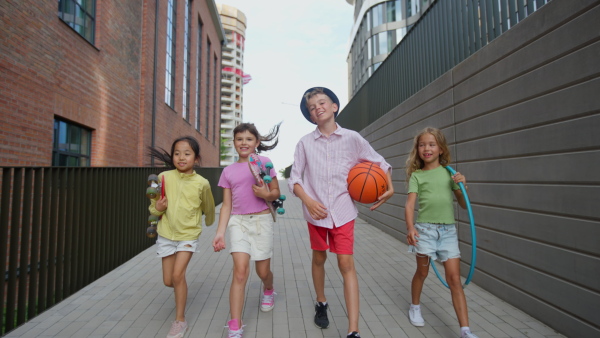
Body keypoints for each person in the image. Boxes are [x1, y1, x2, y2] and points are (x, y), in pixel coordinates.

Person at [288, 87, 394, 338]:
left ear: (335, 106)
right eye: (312, 107)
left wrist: (389, 187)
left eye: (322, 102)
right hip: (315, 213)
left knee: (346, 263)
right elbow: (294, 179)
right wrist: (308, 200)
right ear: (311, 116)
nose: (318, 108)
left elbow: (380, 162)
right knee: (319, 258)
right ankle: (321, 301)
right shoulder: (304, 143)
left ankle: (353, 330)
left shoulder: (353, 139)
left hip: (343, 211)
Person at [404, 127, 479, 338]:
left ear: (441, 149)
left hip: (447, 232)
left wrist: (464, 186)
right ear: (417, 149)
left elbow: (464, 205)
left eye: (431, 144)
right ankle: (415, 306)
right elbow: (410, 205)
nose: (426, 148)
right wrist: (410, 227)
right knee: (423, 272)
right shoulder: (417, 176)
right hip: (425, 231)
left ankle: (465, 330)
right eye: (422, 145)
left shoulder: (450, 174)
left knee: (454, 279)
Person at [212, 122, 282, 338]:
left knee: (262, 272)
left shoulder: (265, 162)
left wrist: (265, 194)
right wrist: (220, 232)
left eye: (249, 139)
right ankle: (235, 326)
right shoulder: (228, 171)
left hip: (262, 221)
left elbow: (276, 193)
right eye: (239, 139)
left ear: (257, 143)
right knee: (240, 272)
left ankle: (268, 289)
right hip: (238, 223)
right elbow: (226, 205)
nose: (244, 143)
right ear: (234, 143)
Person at [148, 136, 216, 338]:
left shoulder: (202, 183)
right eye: (177, 153)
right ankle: (181, 289)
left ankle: (180, 321)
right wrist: (158, 208)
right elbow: (154, 206)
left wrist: (211, 225)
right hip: (166, 234)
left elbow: (209, 206)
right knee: (169, 281)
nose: (181, 157)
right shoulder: (163, 178)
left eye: (187, 153)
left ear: (196, 158)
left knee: (178, 276)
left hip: (188, 234)